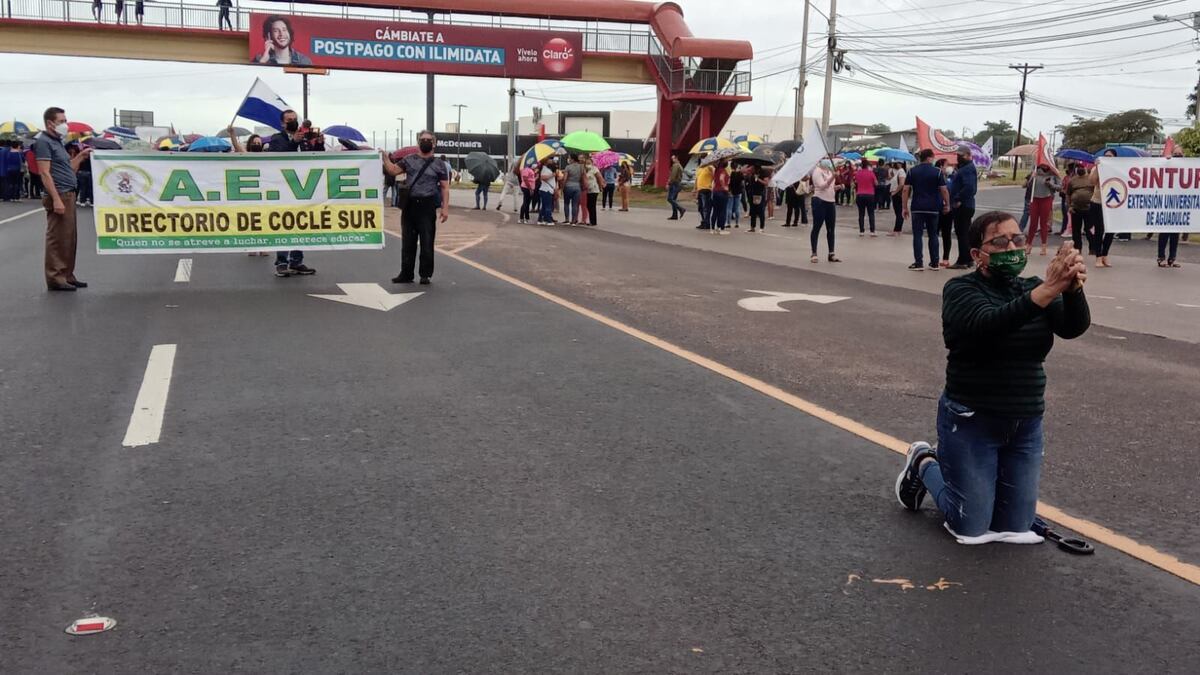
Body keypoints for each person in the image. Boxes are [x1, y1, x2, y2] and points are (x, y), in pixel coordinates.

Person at [895, 212, 1090, 542]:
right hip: (972, 419)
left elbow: (1073, 327)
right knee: (970, 528)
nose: (1012, 246)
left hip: (1024, 422)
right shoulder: (960, 289)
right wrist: (1049, 289)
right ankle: (925, 463)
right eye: (999, 241)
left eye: (1017, 239)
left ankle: (980, 485)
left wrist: (1072, 289)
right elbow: (989, 324)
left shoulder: (1033, 288)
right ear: (976, 254)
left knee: (1014, 528)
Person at [35, 107, 92, 292]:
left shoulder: (58, 141)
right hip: (59, 194)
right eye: (61, 121)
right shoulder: (43, 142)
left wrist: (81, 157)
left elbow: (68, 168)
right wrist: (56, 199)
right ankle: (55, 277)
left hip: (69, 193)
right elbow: (45, 173)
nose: (64, 125)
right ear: (50, 123)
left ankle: (67, 274)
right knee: (57, 238)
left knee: (69, 238)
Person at [382, 130, 449, 285]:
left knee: (427, 241)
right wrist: (385, 158)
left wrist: (445, 208)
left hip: (427, 205)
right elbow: (392, 170)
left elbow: (445, 187)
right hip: (410, 205)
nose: (425, 142)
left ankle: (425, 274)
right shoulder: (408, 160)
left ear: (434, 143)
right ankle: (406, 273)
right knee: (408, 242)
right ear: (418, 142)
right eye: (423, 139)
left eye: (428, 139)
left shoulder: (439, 164)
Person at [267, 109, 317, 276]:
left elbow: (315, 157)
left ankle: (297, 261)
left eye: (295, 119)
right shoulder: (277, 138)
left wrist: (317, 143)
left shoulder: (303, 139)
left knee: (300, 224)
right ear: (282, 123)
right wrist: (294, 141)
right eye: (289, 120)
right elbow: (279, 157)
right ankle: (281, 262)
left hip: (302, 187)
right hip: (283, 188)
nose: (293, 122)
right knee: (283, 224)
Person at [902, 148, 949, 271]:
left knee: (917, 235)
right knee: (933, 235)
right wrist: (947, 204)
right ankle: (934, 262)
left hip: (917, 207)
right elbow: (944, 190)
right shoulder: (938, 172)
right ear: (929, 158)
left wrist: (904, 207)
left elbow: (906, 189)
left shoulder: (912, 171)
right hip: (933, 208)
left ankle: (918, 263)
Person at [947, 147, 977, 269]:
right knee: (964, 233)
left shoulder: (967, 169)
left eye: (962, 155)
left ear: (969, 155)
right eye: (958, 155)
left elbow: (969, 187)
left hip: (963, 205)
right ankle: (968, 259)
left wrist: (958, 199)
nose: (959, 157)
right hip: (966, 205)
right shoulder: (965, 168)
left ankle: (962, 260)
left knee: (962, 233)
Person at [1026, 164, 1060, 256]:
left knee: (1044, 223)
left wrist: (1050, 184)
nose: (1042, 167)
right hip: (1035, 199)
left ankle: (1044, 246)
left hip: (1046, 199)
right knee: (1033, 223)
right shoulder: (1035, 172)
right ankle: (1029, 245)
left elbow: (1060, 187)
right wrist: (1032, 178)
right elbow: (1026, 185)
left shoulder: (1053, 174)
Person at [810, 157, 840, 263]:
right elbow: (822, 186)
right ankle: (814, 253)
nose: (827, 160)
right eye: (824, 158)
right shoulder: (817, 172)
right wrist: (833, 177)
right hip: (819, 201)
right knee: (817, 227)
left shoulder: (829, 171)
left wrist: (836, 187)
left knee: (831, 229)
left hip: (830, 201)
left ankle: (831, 253)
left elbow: (830, 186)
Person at [1064, 163, 1093, 256]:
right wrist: (1069, 206)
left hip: (1089, 208)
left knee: (1089, 230)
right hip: (1075, 208)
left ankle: (1093, 248)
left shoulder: (1091, 179)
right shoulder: (1072, 180)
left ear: (1085, 168)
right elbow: (1068, 194)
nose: (1080, 169)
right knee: (1076, 230)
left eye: (1081, 167)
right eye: (1078, 168)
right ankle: (1077, 248)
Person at [1087, 156, 1111, 268]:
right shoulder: (1097, 168)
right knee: (1099, 230)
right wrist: (1097, 167)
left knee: (1110, 231)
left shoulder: (1118, 169)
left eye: (1110, 156)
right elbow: (1091, 181)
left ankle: (1105, 254)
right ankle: (1098, 256)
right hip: (1098, 202)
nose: (1108, 158)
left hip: (1113, 204)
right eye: (1106, 156)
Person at [934, 159, 955, 267]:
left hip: (947, 210)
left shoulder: (951, 178)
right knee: (935, 234)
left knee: (946, 234)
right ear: (941, 166)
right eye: (947, 165)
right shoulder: (936, 177)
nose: (949, 167)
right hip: (937, 208)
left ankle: (945, 258)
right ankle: (935, 258)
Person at [854, 160, 877, 236]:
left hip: (860, 194)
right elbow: (876, 183)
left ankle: (861, 231)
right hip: (870, 195)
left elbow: (856, 181)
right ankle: (872, 231)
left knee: (861, 213)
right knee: (871, 213)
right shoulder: (871, 173)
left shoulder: (858, 173)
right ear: (867, 166)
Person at [710, 158, 730, 235]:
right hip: (722, 192)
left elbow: (715, 180)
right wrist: (725, 187)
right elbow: (721, 179)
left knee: (715, 210)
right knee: (722, 210)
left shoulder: (716, 170)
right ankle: (721, 228)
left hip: (715, 191)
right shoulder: (723, 171)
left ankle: (713, 228)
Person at [745, 165, 768, 233]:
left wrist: (758, 179)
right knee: (753, 211)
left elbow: (766, 183)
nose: (750, 169)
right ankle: (752, 227)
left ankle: (761, 227)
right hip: (752, 194)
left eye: (752, 168)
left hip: (760, 194)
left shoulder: (764, 173)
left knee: (760, 211)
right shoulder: (752, 174)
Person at [582, 154, 603, 227]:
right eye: (586, 163)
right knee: (588, 205)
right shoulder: (584, 170)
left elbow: (599, 178)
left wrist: (600, 187)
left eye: (589, 163)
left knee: (592, 205)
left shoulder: (595, 169)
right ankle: (591, 220)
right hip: (587, 189)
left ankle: (593, 221)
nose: (588, 165)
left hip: (594, 189)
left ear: (592, 163)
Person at [562, 154, 583, 224]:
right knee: (575, 204)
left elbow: (565, 178)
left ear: (573, 159)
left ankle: (567, 219)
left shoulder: (568, 167)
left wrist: (563, 186)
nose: (569, 159)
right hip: (577, 186)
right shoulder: (581, 167)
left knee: (566, 203)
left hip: (568, 186)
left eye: (569, 158)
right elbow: (583, 177)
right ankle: (574, 220)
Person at [537, 158, 558, 225]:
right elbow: (543, 177)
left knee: (544, 206)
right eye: (549, 159)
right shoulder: (544, 169)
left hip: (548, 189)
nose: (551, 160)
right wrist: (552, 175)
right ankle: (548, 220)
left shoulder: (547, 168)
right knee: (548, 206)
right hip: (546, 189)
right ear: (545, 161)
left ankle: (540, 220)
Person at [694, 160, 714, 230]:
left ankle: (707, 223)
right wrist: (695, 189)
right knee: (700, 208)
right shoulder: (699, 169)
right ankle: (703, 221)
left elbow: (713, 175)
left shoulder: (709, 167)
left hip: (707, 189)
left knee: (706, 207)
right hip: (700, 189)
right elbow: (697, 179)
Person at [888, 162, 907, 235]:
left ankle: (896, 230)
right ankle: (898, 230)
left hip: (897, 194)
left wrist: (895, 192)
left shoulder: (901, 171)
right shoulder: (898, 172)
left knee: (899, 212)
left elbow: (902, 184)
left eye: (899, 162)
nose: (897, 164)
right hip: (896, 193)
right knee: (898, 212)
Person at [666, 155, 686, 220]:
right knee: (673, 199)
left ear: (676, 158)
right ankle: (675, 215)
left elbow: (673, 175)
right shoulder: (680, 165)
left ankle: (681, 209)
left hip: (674, 184)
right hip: (678, 184)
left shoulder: (676, 165)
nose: (672, 160)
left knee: (670, 199)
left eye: (673, 158)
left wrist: (669, 183)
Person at [727, 164, 745, 228]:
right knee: (737, 208)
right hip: (738, 192)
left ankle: (728, 223)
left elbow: (728, 183)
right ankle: (737, 223)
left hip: (731, 192)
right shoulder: (740, 174)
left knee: (729, 208)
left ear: (731, 167)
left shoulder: (730, 174)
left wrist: (729, 190)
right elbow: (742, 183)